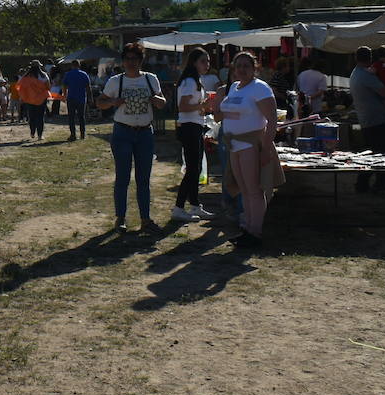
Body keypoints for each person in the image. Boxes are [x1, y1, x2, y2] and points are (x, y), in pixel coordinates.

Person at [97, 43, 166, 233]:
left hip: (144, 133)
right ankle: (120, 218)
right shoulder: (115, 81)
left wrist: (158, 101)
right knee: (123, 178)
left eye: (134, 59)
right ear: (123, 61)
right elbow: (100, 102)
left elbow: (162, 102)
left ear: (141, 61)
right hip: (122, 133)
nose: (131, 62)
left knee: (143, 179)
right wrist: (112, 101)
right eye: (127, 59)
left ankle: (145, 219)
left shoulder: (151, 79)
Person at [216, 51, 281, 248]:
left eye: (246, 66)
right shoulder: (235, 87)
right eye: (239, 66)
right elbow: (223, 115)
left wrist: (266, 148)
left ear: (254, 68)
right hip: (234, 144)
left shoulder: (260, 88)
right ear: (233, 69)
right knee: (244, 189)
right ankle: (248, 228)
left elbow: (272, 119)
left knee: (254, 190)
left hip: (251, 144)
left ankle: (256, 232)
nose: (242, 70)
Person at [172, 47, 216, 222]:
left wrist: (203, 108)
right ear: (194, 62)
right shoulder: (190, 81)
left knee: (195, 168)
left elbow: (190, 106)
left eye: (208, 61)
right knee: (192, 169)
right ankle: (179, 207)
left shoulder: (194, 80)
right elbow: (183, 107)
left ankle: (195, 205)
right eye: (203, 61)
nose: (207, 64)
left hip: (194, 125)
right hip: (189, 127)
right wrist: (202, 106)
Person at [350, 46, 385, 193]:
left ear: (356, 58)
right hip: (377, 120)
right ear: (370, 58)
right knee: (384, 153)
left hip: (366, 119)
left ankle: (363, 184)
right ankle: (380, 186)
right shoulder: (366, 75)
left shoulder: (355, 73)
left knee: (373, 153)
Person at [16, 60, 52, 141]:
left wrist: (23, 97)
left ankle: (32, 132)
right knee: (40, 116)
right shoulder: (44, 75)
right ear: (39, 66)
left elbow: (21, 88)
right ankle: (40, 135)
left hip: (30, 99)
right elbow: (48, 87)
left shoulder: (26, 77)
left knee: (31, 116)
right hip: (41, 99)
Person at [62, 60, 91, 141]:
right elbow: (88, 87)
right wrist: (90, 98)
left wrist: (64, 95)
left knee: (71, 117)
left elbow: (64, 85)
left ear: (72, 65)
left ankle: (73, 135)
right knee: (81, 117)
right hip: (81, 98)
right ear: (79, 65)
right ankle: (82, 134)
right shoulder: (84, 74)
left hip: (71, 98)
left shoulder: (68, 74)